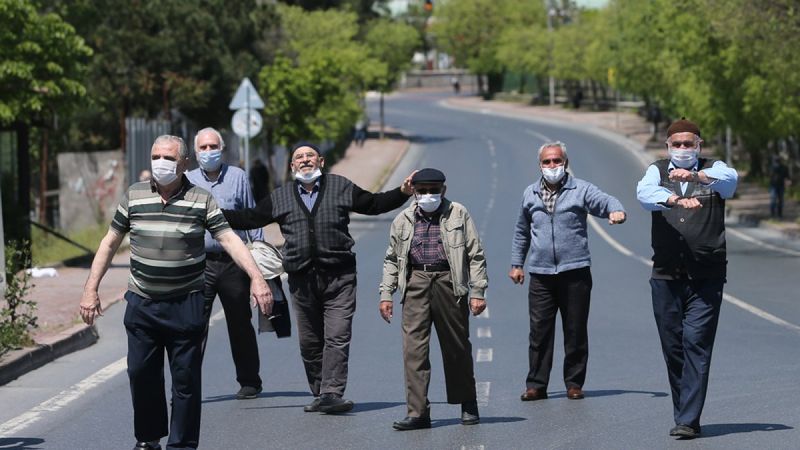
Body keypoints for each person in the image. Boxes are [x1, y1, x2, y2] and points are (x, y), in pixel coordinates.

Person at [79, 135, 272, 450]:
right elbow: (110, 242)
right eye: (156, 156)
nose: (160, 163)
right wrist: (91, 289)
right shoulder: (135, 196)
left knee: (185, 381)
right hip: (142, 303)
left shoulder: (201, 199)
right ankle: (148, 437)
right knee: (141, 374)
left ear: (184, 164)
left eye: (168, 158)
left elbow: (229, 239)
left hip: (186, 304)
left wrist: (257, 278)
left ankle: (181, 444)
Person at [222, 142, 415, 414]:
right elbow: (249, 218)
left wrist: (402, 192)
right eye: (298, 157)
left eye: (309, 155)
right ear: (291, 166)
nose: (304, 160)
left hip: (340, 277)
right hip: (301, 281)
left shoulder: (340, 187)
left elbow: (373, 204)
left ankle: (332, 392)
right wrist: (209, 213)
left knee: (337, 336)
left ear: (321, 161)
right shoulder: (281, 196)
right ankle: (320, 391)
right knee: (310, 343)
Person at [636, 118, 738, 439]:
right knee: (673, 347)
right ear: (667, 147)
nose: (682, 149)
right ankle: (685, 412)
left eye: (688, 143)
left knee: (696, 343)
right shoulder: (657, 171)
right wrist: (675, 199)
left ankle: (688, 419)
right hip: (666, 274)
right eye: (676, 144)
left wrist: (696, 176)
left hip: (707, 275)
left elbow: (730, 180)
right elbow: (644, 193)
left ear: (699, 145)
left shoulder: (713, 169)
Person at [509, 141, 626, 403]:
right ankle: (536, 385)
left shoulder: (580, 189)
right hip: (541, 274)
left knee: (575, 330)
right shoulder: (530, 194)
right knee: (539, 332)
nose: (552, 166)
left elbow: (604, 200)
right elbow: (521, 231)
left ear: (565, 163)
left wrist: (616, 210)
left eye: (557, 161)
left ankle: (574, 383)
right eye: (547, 162)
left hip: (575, 272)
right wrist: (517, 264)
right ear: (539, 165)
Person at [379, 168, 488, 430]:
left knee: (457, 346)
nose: (428, 195)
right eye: (423, 191)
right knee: (413, 351)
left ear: (443, 191)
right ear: (414, 192)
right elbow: (392, 259)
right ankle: (418, 412)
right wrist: (386, 294)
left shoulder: (458, 213)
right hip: (416, 282)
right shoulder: (403, 219)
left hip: (449, 282)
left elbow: (475, 254)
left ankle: (467, 402)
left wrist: (477, 291)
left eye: (433, 190)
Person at [185, 127, 264, 400]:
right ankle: (188, 384)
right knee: (194, 326)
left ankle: (250, 380)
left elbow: (251, 217)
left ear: (222, 148)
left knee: (240, 323)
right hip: (199, 264)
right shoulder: (186, 180)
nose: (208, 152)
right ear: (195, 153)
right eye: (203, 148)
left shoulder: (238, 177)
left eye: (213, 146)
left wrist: (259, 264)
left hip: (233, 263)